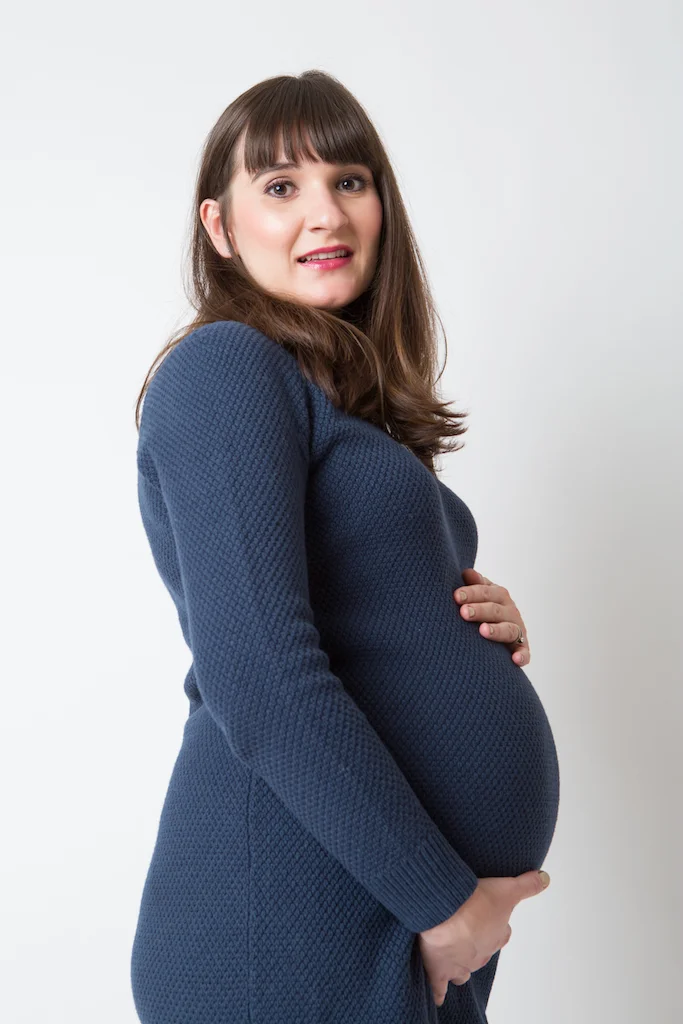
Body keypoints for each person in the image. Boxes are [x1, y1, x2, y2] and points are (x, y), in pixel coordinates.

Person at [130, 69, 560, 1024]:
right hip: (290, 919)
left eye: (350, 181)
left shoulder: (333, 404)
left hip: (377, 913)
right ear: (219, 227)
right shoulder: (225, 367)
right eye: (281, 186)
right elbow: (259, 678)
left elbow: (357, 617)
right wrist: (445, 905)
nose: (324, 212)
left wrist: (459, 622)